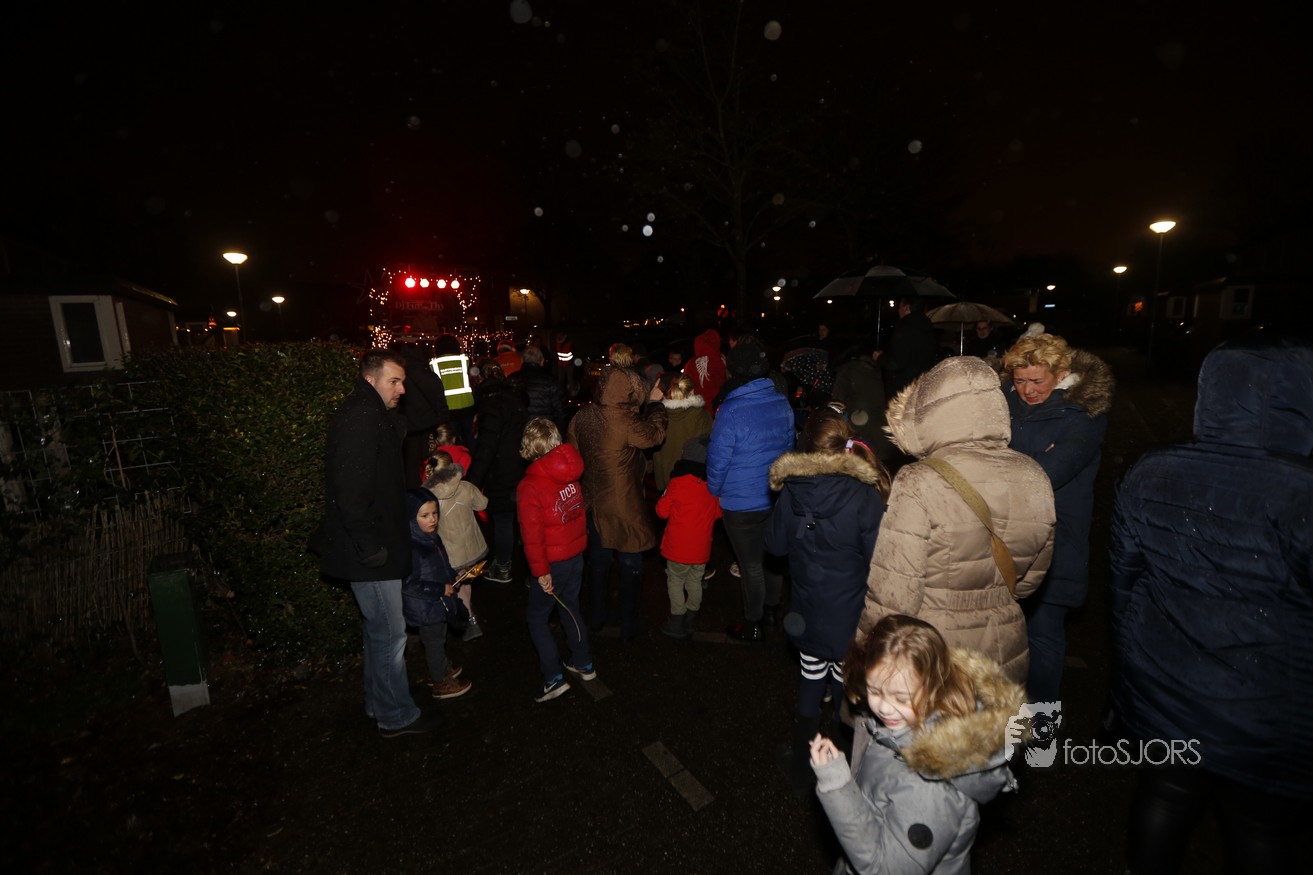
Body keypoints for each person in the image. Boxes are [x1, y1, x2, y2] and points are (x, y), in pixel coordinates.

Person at [1109, 337, 1313, 873]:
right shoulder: (1301, 491)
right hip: (1270, 701)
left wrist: (1126, 675)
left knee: (1166, 792)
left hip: (1167, 682)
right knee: (1258, 826)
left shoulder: (1152, 469)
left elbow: (1123, 581)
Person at [860, 356, 1055, 684]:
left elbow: (894, 595)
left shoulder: (919, 480)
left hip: (935, 652)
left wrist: (866, 651)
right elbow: (1029, 580)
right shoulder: (1035, 475)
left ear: (930, 413)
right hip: (1005, 649)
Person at [810, 614, 1024, 875]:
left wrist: (839, 787)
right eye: (875, 691)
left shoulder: (932, 787)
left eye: (901, 698)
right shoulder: (902, 727)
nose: (884, 707)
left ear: (934, 687)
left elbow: (886, 869)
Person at [765, 409, 889, 788]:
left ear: (805, 447)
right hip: (849, 616)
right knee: (843, 688)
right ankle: (845, 764)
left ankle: (802, 762)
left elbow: (774, 545)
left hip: (807, 610)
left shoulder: (792, 490)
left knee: (810, 679)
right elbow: (878, 561)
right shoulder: (863, 494)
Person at [319, 349, 440, 737]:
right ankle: (395, 715)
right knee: (390, 633)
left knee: (380, 632)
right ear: (369, 380)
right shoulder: (361, 417)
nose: (402, 389)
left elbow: (427, 415)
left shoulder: (375, 413)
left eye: (403, 381)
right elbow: (350, 493)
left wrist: (412, 370)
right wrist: (370, 547)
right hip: (370, 551)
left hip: (374, 546)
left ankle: (380, 703)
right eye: (394, 381)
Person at [1002, 333, 1113, 703]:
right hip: (1003, 536)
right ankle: (1003, 726)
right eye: (1020, 380)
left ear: (1061, 374)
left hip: (1055, 539)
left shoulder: (1083, 414)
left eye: (1037, 381)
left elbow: (1046, 476)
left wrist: (1004, 464)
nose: (1028, 390)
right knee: (1001, 640)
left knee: (1043, 638)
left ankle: (1041, 731)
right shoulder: (1002, 402)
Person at [568, 364, 668, 641]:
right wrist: (656, 405)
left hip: (593, 502)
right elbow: (655, 435)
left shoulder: (583, 416)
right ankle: (628, 623)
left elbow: (574, 452)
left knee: (599, 561)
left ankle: (596, 616)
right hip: (624, 504)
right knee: (630, 562)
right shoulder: (626, 422)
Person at [707, 342, 795, 642]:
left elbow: (718, 459)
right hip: (773, 495)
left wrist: (715, 489)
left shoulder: (730, 410)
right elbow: (788, 449)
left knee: (751, 565)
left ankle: (753, 624)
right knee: (771, 557)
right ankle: (771, 611)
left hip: (740, 502)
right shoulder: (781, 402)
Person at [517, 416, 594, 702]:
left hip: (552, 562)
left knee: (537, 618)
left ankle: (553, 678)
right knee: (570, 607)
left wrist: (541, 572)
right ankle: (583, 662)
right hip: (575, 557)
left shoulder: (530, 486)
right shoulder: (571, 475)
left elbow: (532, 535)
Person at [401, 487, 472, 700]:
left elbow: (443, 564)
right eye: (424, 516)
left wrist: (453, 577)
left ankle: (439, 666)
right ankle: (440, 681)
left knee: (438, 639)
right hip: (424, 608)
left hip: (437, 603)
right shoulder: (411, 547)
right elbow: (409, 584)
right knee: (433, 642)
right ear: (411, 517)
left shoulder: (431, 537)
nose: (432, 519)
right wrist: (440, 589)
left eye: (434, 513)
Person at [465, 358, 529, 584]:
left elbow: (486, 447)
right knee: (521, 520)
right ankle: (532, 570)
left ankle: (503, 567)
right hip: (520, 467)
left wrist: (471, 482)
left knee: (502, 519)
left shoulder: (491, 405)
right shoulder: (513, 398)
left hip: (502, 471)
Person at [655, 437, 721, 638]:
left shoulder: (678, 483)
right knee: (695, 581)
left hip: (678, 547)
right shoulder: (713, 486)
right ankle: (691, 618)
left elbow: (661, 512)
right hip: (701, 548)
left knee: (675, 581)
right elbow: (718, 513)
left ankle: (677, 620)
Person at [423, 451, 490, 640]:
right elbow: (482, 505)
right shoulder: (466, 487)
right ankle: (469, 618)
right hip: (471, 548)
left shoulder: (428, 498)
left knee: (456, 586)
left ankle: (467, 621)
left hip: (450, 553)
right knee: (464, 582)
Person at [830, 337, 896, 462]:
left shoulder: (846, 370)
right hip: (881, 429)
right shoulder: (873, 368)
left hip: (860, 427)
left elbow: (837, 402)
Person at [651, 373, 712, 491]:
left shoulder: (660, 418)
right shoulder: (703, 416)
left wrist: (661, 485)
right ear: (692, 392)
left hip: (670, 482)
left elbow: (657, 454)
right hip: (698, 483)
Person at [881, 296, 941, 399]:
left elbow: (896, 363)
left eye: (900, 306)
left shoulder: (903, 329)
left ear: (906, 308)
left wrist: (880, 358)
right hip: (923, 386)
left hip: (903, 390)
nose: (898, 310)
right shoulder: (929, 329)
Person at [509, 342, 567, 430]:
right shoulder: (551, 381)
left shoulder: (511, 380)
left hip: (519, 432)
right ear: (542, 361)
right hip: (544, 432)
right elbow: (561, 412)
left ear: (521, 360)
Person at [682, 328, 725, 410]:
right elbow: (723, 383)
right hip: (716, 407)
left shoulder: (690, 363)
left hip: (695, 408)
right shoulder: (718, 361)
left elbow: (685, 384)